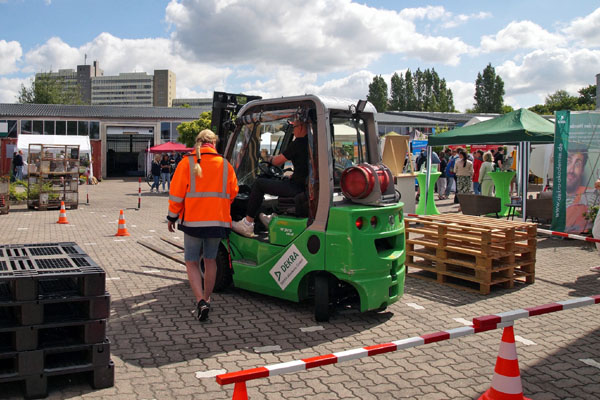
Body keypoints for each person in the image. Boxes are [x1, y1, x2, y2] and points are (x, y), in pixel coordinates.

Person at [167, 129, 239, 321]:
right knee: (210, 261)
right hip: (217, 222)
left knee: (191, 261)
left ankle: (200, 301)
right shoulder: (225, 165)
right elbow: (233, 192)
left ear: (198, 143)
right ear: (214, 144)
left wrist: (172, 217)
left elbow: (176, 194)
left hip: (193, 222)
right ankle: (207, 298)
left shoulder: (186, 163)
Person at [232, 119, 308, 237]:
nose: (293, 130)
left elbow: (277, 161)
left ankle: (247, 223)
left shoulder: (298, 143)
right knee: (281, 180)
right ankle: (273, 217)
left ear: (302, 127)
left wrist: (266, 157)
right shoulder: (313, 143)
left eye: (294, 127)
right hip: (303, 185)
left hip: (296, 188)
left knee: (259, 184)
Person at [565, 149, 594, 233]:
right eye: (568, 162)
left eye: (577, 164)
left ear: (582, 170)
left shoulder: (589, 196)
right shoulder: (558, 196)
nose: (571, 170)